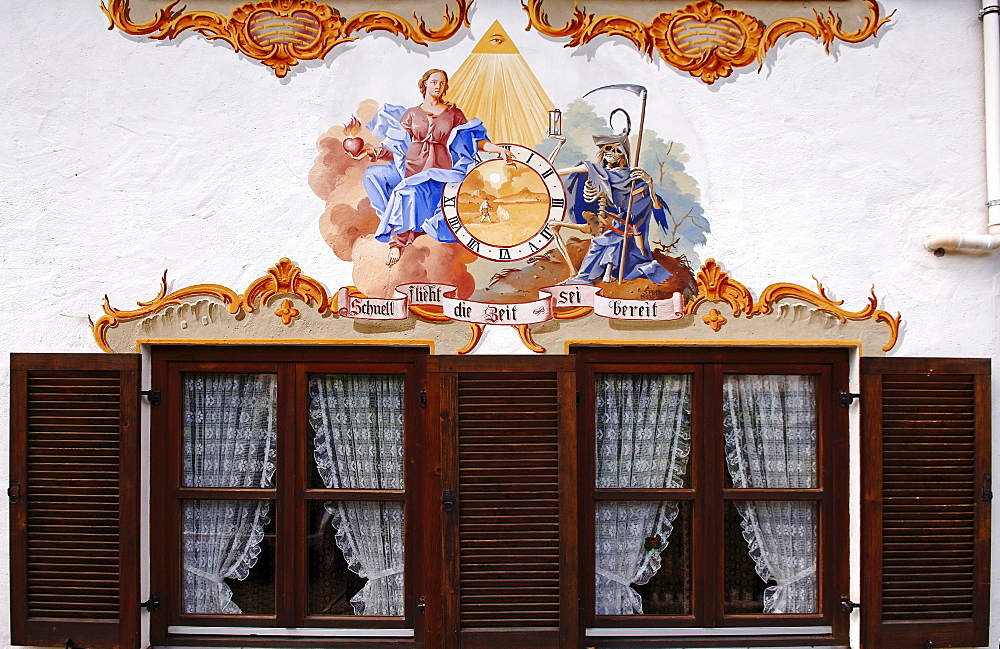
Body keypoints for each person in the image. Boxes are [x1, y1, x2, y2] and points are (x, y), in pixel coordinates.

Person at [355, 69, 511, 266]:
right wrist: (370, 152)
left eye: (442, 83)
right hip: (413, 168)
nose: (438, 86)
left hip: (441, 170)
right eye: (434, 82)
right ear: (425, 84)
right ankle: (396, 243)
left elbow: (473, 139)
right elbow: (397, 146)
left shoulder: (454, 114)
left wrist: (497, 149)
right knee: (406, 194)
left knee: (439, 207)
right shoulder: (411, 114)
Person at [557, 134, 672, 284]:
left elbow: (655, 205)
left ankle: (583, 278)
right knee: (608, 243)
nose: (610, 153)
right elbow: (585, 170)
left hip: (627, 225)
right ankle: (594, 276)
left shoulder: (631, 177)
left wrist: (649, 182)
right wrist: (552, 174)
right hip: (612, 224)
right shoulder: (602, 173)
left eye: (616, 150)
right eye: (608, 149)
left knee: (599, 243)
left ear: (622, 155)